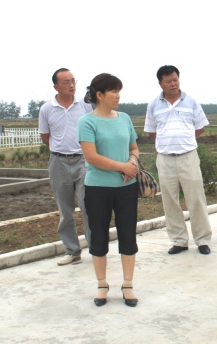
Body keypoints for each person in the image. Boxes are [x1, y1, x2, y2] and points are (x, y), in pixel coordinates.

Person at [78, 73, 140, 308]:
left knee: (128, 234)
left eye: (118, 91)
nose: (118, 95)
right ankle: (102, 284)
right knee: (98, 236)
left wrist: (132, 162)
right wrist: (122, 166)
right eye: (113, 91)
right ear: (99, 95)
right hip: (98, 188)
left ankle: (128, 284)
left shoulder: (124, 118)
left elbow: (134, 148)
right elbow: (91, 157)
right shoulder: (87, 122)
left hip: (126, 187)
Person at [143, 65, 213, 255]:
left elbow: (200, 127)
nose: (173, 84)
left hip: (188, 156)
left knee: (196, 199)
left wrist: (185, 140)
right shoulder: (153, 105)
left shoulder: (191, 101)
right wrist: (167, 143)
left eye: (175, 79)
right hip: (165, 159)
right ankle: (179, 240)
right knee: (169, 201)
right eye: (168, 81)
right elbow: (152, 132)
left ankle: (202, 239)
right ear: (160, 83)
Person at [38, 68, 92, 266]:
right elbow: (46, 137)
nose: (71, 85)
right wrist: (61, 148)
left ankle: (96, 249)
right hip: (59, 162)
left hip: (83, 161)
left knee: (89, 206)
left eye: (73, 81)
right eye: (66, 82)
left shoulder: (84, 106)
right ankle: (72, 250)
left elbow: (93, 129)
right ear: (56, 87)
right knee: (65, 210)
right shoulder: (47, 109)